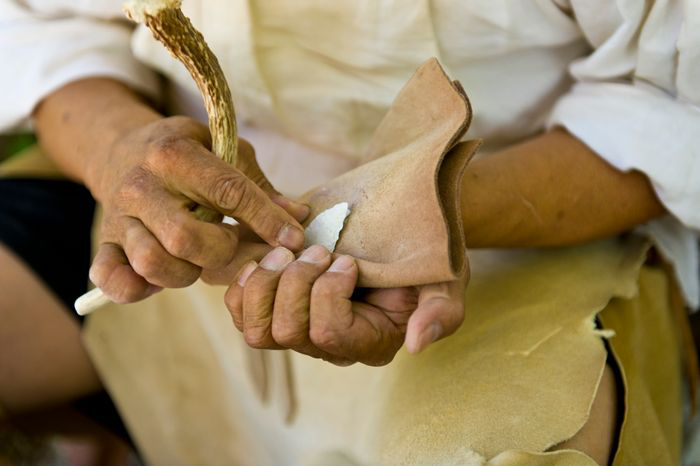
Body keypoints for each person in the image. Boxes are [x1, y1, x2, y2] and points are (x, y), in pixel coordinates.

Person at [1, 0, 698, 464]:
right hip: (181, 201)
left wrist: (423, 211)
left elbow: (673, 107)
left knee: (511, 450)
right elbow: (52, 22)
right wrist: (117, 151)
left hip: (505, 228)